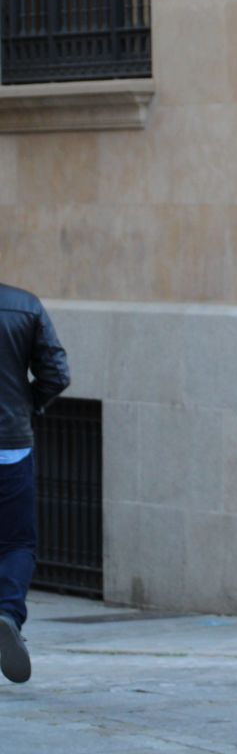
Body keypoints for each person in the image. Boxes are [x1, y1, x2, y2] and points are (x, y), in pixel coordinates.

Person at [0, 282, 71, 685]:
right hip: (10, 443)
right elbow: (56, 372)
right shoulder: (24, 306)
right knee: (17, 542)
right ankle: (8, 612)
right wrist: (30, 403)